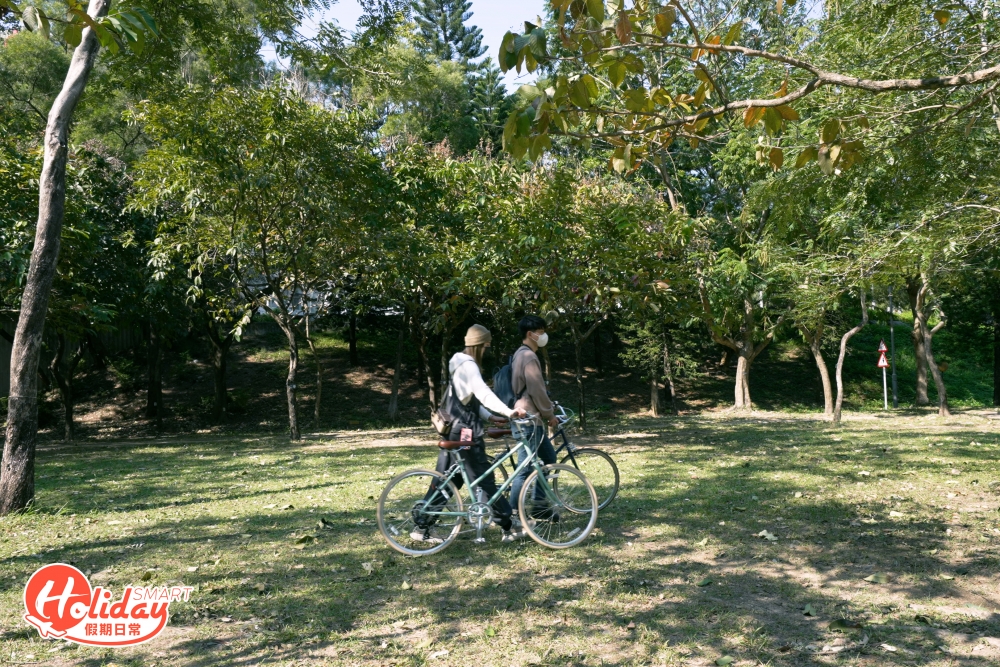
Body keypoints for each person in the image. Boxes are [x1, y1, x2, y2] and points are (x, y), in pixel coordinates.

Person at [413, 324, 526, 544]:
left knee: (449, 479)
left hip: (455, 429)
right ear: (480, 345)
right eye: (486, 346)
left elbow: (469, 400)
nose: (487, 351)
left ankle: (422, 525)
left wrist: (490, 417)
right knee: (483, 478)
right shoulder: (469, 366)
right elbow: (483, 393)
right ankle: (509, 525)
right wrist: (509, 411)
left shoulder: (459, 364)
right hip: (465, 431)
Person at [508, 315, 561, 524]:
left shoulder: (519, 354)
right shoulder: (528, 356)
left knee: (548, 459)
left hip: (529, 419)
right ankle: (512, 515)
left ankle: (539, 507)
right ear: (530, 334)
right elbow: (537, 390)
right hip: (529, 420)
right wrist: (550, 414)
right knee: (525, 469)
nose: (543, 335)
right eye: (541, 331)